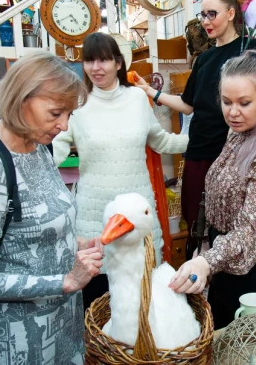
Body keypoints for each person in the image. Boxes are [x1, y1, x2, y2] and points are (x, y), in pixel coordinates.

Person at [0, 51, 104, 364]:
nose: (63, 125)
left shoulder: (36, 147)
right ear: (22, 100)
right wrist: (66, 281)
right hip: (20, 339)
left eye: (68, 114)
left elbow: (28, 231)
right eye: (55, 113)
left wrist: (72, 243)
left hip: (62, 323)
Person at [52, 32, 188, 310]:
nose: (96, 67)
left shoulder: (138, 99)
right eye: (89, 61)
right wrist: (15, 148)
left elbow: (160, 140)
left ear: (118, 63)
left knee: (144, 299)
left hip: (138, 214)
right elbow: (56, 150)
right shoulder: (76, 105)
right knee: (99, 306)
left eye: (103, 60)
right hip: (94, 220)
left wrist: (202, 139)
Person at [167, 49, 256, 328]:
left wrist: (208, 261)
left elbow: (251, 228)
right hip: (229, 263)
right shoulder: (240, 134)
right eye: (226, 102)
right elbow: (214, 193)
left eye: (244, 102)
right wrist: (205, 245)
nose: (233, 112)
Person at [135, 0, 256, 258]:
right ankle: (201, 292)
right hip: (198, 153)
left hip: (232, 154)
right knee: (196, 225)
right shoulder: (203, 59)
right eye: (202, 15)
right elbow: (188, 105)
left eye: (212, 14)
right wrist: (151, 92)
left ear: (231, 13)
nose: (205, 21)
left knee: (229, 229)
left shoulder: (249, 48)